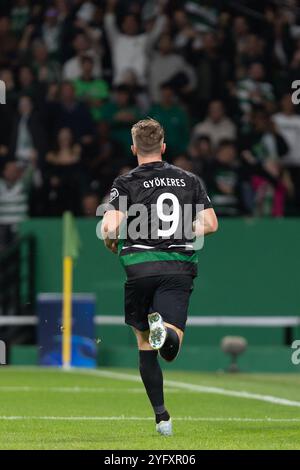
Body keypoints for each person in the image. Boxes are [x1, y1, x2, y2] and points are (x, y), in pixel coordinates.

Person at [101, 118, 218, 436]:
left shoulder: (125, 182)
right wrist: (180, 229)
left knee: (144, 344)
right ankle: (165, 331)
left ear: (134, 148)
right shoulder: (189, 180)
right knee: (171, 345)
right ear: (164, 147)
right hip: (177, 267)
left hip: (139, 267)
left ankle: (162, 417)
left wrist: (114, 238)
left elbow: (109, 227)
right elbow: (210, 224)